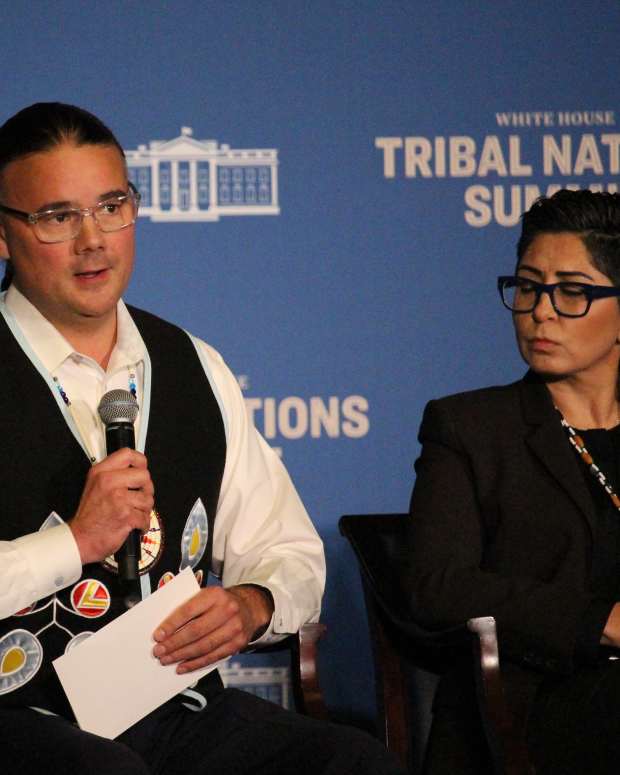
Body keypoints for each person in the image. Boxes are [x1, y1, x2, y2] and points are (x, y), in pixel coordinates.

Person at [0, 102, 405, 775]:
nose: (93, 239)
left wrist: (252, 604)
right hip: (21, 719)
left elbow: (290, 550)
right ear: (6, 234)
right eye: (58, 216)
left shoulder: (192, 363)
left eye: (111, 206)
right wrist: (73, 542)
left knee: (354, 764)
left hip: (173, 708)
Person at [405, 188, 620, 775]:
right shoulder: (470, 427)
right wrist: (597, 622)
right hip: (527, 710)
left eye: (572, 292)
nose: (541, 311)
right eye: (528, 287)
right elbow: (437, 586)